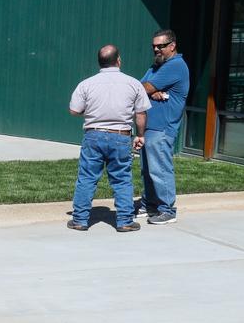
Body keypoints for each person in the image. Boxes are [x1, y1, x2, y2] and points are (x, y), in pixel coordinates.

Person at [68, 44, 151, 232]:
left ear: (100, 63)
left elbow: (74, 110)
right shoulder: (133, 83)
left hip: (93, 135)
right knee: (122, 179)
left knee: (87, 178)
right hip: (120, 136)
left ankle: (80, 220)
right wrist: (140, 135)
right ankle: (124, 221)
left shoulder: (86, 84)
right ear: (118, 60)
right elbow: (141, 113)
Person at [136, 29, 190, 225]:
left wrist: (149, 90)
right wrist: (151, 92)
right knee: (147, 169)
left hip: (162, 128)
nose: (156, 49)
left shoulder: (175, 66)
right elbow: (138, 87)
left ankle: (167, 210)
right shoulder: (156, 67)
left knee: (160, 170)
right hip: (149, 127)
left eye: (161, 46)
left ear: (172, 46)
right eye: (154, 46)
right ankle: (150, 204)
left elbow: (143, 88)